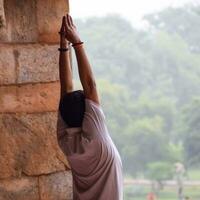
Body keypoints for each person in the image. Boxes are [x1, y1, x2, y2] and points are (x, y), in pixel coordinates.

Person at [56, 14, 123, 200]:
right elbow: (89, 85)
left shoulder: (67, 141)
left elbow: (66, 88)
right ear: (88, 115)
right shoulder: (93, 138)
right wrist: (75, 43)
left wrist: (65, 46)